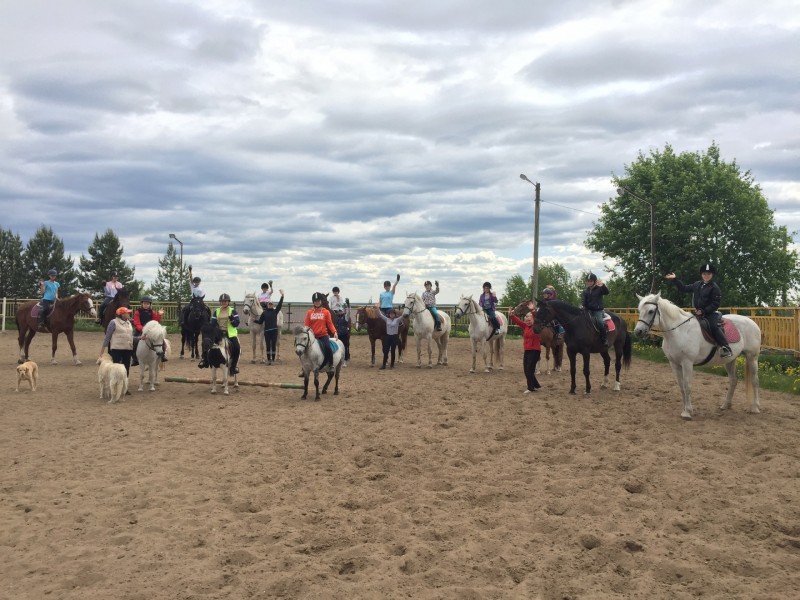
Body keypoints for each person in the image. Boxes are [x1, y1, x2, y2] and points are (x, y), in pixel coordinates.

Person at [665, 264, 731, 357]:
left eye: (708, 274)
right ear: (701, 274)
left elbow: (715, 304)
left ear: (712, 275)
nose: (706, 276)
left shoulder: (715, 287)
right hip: (698, 313)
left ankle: (725, 347)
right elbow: (683, 288)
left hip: (710, 314)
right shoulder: (697, 284)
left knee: (714, 327)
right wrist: (675, 279)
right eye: (704, 274)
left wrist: (704, 311)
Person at [509, 307, 542, 393]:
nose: (528, 322)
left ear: (533, 320)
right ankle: (536, 385)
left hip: (535, 351)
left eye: (530, 320)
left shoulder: (536, 327)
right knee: (526, 369)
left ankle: (530, 388)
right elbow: (518, 321)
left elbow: (536, 317)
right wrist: (511, 315)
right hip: (527, 350)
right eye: (527, 321)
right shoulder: (526, 327)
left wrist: (532, 311)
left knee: (529, 370)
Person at [207, 293, 241, 375]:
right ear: (220, 302)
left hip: (230, 334)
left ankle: (234, 366)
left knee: (237, 348)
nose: (224, 302)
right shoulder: (217, 311)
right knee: (206, 343)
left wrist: (232, 319)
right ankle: (205, 361)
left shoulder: (232, 311)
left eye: (225, 301)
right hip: (219, 334)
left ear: (228, 302)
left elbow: (236, 324)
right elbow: (213, 323)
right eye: (222, 301)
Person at [304, 292, 338, 374]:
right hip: (313, 336)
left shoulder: (326, 312)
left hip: (323, 335)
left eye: (318, 300)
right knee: (304, 349)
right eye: (315, 301)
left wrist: (334, 332)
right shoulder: (309, 312)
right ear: (313, 302)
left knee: (327, 347)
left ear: (321, 301)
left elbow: (330, 324)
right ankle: (304, 367)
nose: (317, 302)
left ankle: (331, 365)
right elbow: (306, 325)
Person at [100, 306, 134, 382]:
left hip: (128, 348)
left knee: (126, 368)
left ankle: (124, 386)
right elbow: (107, 337)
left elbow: (130, 336)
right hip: (116, 349)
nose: (129, 314)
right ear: (122, 314)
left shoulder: (128, 323)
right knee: (116, 368)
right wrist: (102, 351)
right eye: (127, 313)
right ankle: (115, 384)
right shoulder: (113, 322)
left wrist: (139, 338)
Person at [131, 296, 166, 367]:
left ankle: (162, 355)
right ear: (142, 304)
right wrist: (144, 330)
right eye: (144, 303)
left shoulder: (152, 312)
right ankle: (135, 358)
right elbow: (137, 323)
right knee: (134, 342)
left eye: (147, 304)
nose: (146, 305)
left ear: (150, 304)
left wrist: (159, 315)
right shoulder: (137, 312)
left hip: (150, 331)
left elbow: (155, 321)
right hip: (140, 331)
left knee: (163, 342)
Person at [256, 288, 284, 365]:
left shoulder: (275, 311)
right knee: (268, 346)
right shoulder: (264, 313)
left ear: (273, 305)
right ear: (267, 305)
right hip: (267, 332)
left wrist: (282, 295)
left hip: (274, 331)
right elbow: (260, 322)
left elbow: (280, 304)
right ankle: (269, 360)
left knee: (273, 346)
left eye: (271, 304)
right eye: (269, 304)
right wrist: (253, 320)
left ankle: (273, 360)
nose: (270, 305)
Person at [582, 273, 609, 347]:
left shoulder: (599, 289)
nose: (589, 282)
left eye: (590, 281)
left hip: (597, 310)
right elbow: (584, 301)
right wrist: (583, 306)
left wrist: (603, 285)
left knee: (600, 322)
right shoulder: (586, 291)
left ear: (594, 281)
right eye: (588, 281)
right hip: (588, 310)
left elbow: (606, 292)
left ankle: (604, 338)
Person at [334, 297, 352, 367]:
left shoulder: (346, 317)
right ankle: (339, 360)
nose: (340, 312)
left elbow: (349, 312)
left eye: (341, 311)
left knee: (344, 347)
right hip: (338, 334)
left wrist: (348, 304)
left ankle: (344, 361)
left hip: (344, 334)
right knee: (339, 348)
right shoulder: (337, 317)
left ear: (343, 311)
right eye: (339, 311)